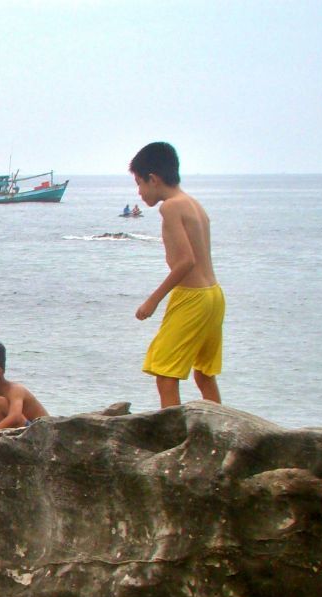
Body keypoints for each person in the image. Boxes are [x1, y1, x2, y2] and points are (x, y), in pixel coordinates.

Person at [129, 142, 224, 408]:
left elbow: (185, 262)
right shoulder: (193, 204)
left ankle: (172, 438)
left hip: (192, 297)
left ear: (153, 178)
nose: (138, 191)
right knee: (204, 373)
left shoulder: (170, 207)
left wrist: (153, 300)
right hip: (213, 295)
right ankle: (220, 428)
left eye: (139, 183)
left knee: (165, 373)